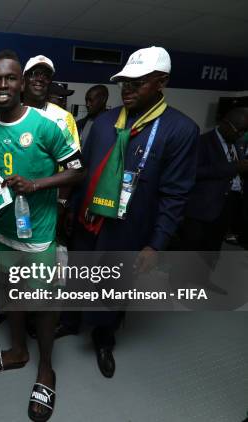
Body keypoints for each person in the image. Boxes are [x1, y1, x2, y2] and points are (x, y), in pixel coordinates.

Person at [61, 46, 199, 378]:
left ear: (161, 82)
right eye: (124, 82)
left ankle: (104, 338)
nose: (127, 89)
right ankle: (69, 321)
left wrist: (156, 244)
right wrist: (70, 209)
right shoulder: (106, 121)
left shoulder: (180, 130)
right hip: (87, 222)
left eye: (138, 83)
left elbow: (175, 195)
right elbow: (87, 171)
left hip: (126, 230)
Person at [0, 50, 84, 422]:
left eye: (9, 78)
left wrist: (36, 185)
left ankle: (46, 369)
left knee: (43, 302)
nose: (2, 86)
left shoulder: (44, 125)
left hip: (38, 235)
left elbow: (76, 172)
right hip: (4, 233)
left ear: (21, 83)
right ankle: (18, 351)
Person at [0, 54, 81, 333]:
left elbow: (73, 167)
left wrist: (60, 204)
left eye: (45, 75)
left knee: (44, 285)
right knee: (11, 281)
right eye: (34, 73)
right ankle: (10, 318)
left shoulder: (60, 119)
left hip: (44, 215)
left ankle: (40, 323)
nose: (40, 79)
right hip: (8, 223)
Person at [175, 107, 248, 267]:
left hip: (227, 204)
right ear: (225, 124)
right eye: (239, 130)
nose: (241, 135)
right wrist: (234, 167)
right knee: (190, 247)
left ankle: (203, 279)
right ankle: (178, 283)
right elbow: (194, 171)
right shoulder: (202, 142)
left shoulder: (237, 143)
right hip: (203, 206)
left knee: (212, 248)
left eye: (244, 131)